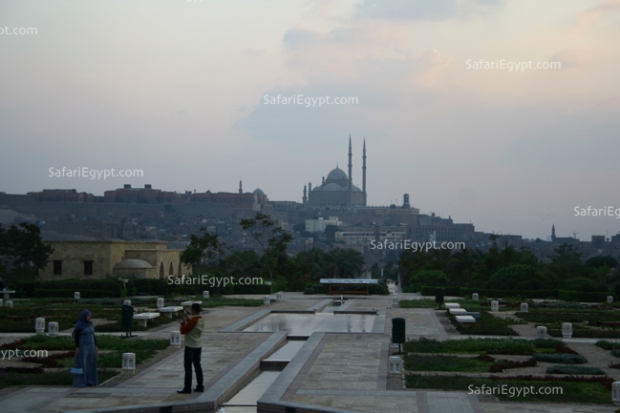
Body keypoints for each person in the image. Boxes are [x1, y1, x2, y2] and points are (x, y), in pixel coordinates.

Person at [177, 303, 204, 394]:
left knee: (188, 368)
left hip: (190, 346)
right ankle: (200, 386)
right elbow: (193, 325)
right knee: (197, 366)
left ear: (194, 310)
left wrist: (183, 322)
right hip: (198, 345)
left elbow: (183, 331)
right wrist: (188, 318)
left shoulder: (193, 321)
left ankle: (187, 387)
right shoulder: (201, 319)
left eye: (191, 309)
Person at [72, 309, 98, 387]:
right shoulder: (80, 325)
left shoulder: (90, 324)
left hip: (91, 346)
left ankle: (91, 380)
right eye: (88, 315)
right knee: (82, 363)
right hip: (83, 346)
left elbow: (93, 335)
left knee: (91, 363)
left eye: (90, 315)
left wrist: (96, 345)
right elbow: (76, 337)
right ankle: (81, 382)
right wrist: (77, 347)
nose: (90, 317)